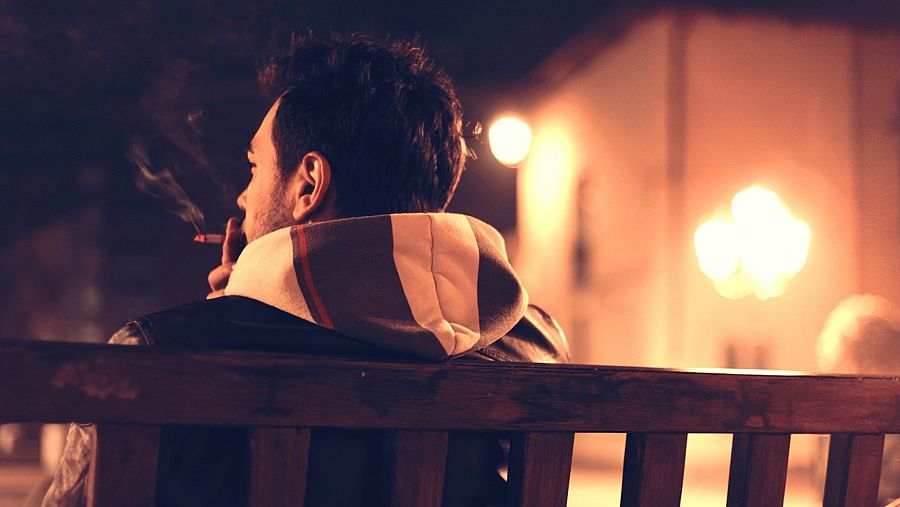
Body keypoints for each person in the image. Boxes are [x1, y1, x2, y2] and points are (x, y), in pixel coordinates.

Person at [42, 33, 568, 506]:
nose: (243, 197)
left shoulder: (157, 355)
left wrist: (228, 318)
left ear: (309, 184)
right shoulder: (535, 346)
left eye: (255, 167)